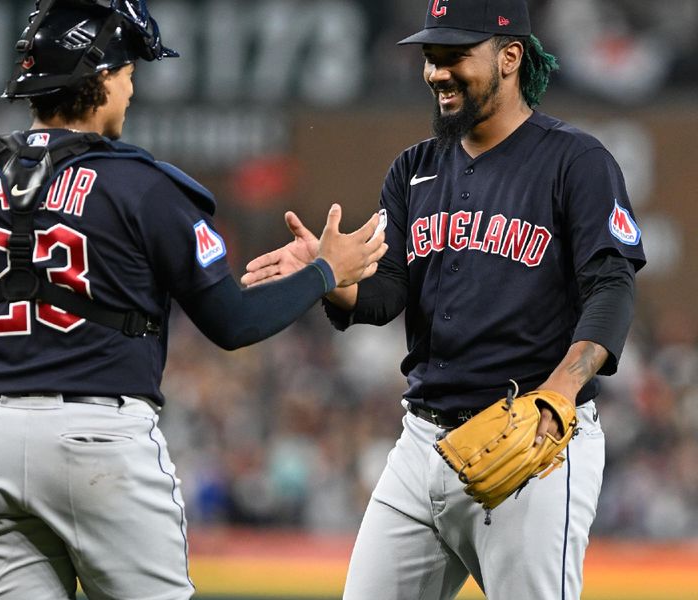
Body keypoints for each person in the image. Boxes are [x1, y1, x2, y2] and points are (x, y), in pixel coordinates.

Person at [0, 1, 386, 599]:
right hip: (99, 439)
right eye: (128, 74)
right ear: (101, 77)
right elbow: (231, 323)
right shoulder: (142, 186)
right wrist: (323, 274)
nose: (131, 90)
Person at [242, 0, 647, 598]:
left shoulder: (575, 161)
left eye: (454, 55)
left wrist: (559, 394)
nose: (436, 72)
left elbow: (612, 286)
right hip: (423, 443)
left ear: (510, 56)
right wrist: (328, 275)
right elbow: (386, 296)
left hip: (532, 446)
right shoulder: (415, 169)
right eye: (431, 57)